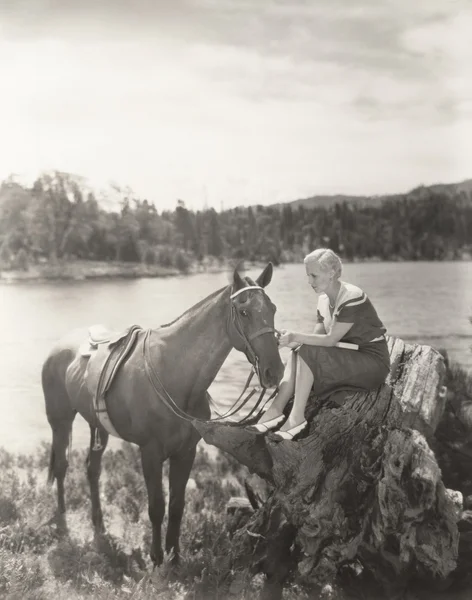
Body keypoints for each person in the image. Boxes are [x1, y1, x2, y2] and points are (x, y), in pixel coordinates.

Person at [249, 248, 390, 441]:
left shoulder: (352, 296)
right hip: (351, 357)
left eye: (314, 275)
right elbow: (316, 339)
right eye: (308, 276)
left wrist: (296, 336)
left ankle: (296, 417)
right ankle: (275, 410)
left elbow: (330, 340)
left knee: (304, 348)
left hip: (372, 362)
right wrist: (288, 342)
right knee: (299, 351)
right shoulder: (323, 300)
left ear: (331, 273)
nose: (310, 281)